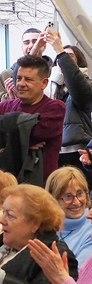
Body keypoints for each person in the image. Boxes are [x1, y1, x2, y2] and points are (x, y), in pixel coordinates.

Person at [0, 54, 66, 182]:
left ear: (44, 83)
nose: (21, 84)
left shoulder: (55, 108)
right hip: (5, 185)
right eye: (19, 78)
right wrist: (21, 143)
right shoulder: (4, 106)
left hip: (39, 188)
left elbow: (35, 133)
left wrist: (3, 142)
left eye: (28, 79)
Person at [44, 31, 92, 177]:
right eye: (60, 57)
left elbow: (78, 87)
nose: (63, 58)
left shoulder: (87, 84)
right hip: (52, 150)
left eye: (70, 56)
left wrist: (60, 50)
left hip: (78, 151)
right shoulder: (48, 86)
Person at [46, 166, 92, 266]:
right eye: (68, 196)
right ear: (53, 199)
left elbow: (81, 273)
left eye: (80, 193)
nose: (76, 202)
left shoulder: (90, 231)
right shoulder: (45, 227)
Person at [0, 28, 48, 104]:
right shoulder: (7, 75)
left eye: (35, 42)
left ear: (44, 46)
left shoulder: (54, 72)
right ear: (22, 47)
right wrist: (9, 99)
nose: (31, 46)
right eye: (26, 43)